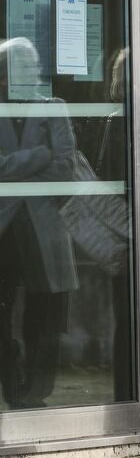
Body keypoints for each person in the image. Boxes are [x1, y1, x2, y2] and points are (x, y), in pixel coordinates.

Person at [0, 37, 78, 409]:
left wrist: (16, 165)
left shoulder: (55, 108)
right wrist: (39, 155)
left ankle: (36, 392)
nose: (31, 73)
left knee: (43, 314)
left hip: (44, 227)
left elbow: (66, 166)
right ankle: (11, 385)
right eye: (22, 66)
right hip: (5, 226)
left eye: (33, 66)